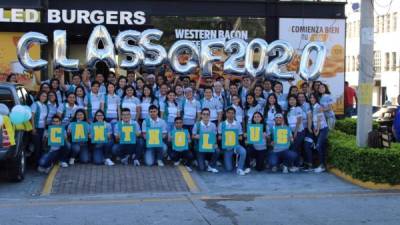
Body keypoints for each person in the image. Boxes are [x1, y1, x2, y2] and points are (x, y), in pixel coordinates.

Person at [218, 107, 247, 175]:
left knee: (243, 151)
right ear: (226, 114)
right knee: (229, 169)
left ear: (234, 114)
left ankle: (240, 168)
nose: (230, 114)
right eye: (229, 113)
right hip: (227, 147)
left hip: (236, 145)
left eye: (232, 113)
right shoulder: (222, 124)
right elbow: (219, 137)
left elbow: (240, 137)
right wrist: (225, 137)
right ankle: (232, 161)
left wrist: (233, 136)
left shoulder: (237, 124)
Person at [192, 108, 220, 173]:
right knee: (202, 169)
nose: (206, 116)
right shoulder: (197, 124)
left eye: (207, 114)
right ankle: (201, 161)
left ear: (209, 115)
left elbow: (214, 136)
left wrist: (215, 143)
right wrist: (199, 136)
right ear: (201, 115)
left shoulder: (213, 125)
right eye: (204, 114)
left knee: (217, 150)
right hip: (200, 148)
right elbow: (193, 136)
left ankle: (211, 165)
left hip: (210, 146)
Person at [308, 93, 329, 173]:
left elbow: (320, 119)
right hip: (317, 129)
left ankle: (322, 165)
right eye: (311, 98)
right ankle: (322, 164)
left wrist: (317, 130)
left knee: (319, 146)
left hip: (323, 129)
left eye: (313, 97)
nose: (312, 99)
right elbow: (312, 119)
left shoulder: (319, 107)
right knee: (321, 147)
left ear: (316, 99)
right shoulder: (312, 107)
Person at [31, 91, 48, 166]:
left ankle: (40, 163)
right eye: (42, 96)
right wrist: (33, 128)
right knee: (37, 146)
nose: (44, 97)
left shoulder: (45, 106)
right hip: (36, 128)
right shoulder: (35, 104)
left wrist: (44, 129)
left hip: (42, 128)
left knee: (41, 146)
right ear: (39, 96)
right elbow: (32, 117)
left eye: (45, 96)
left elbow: (44, 119)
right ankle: (35, 164)